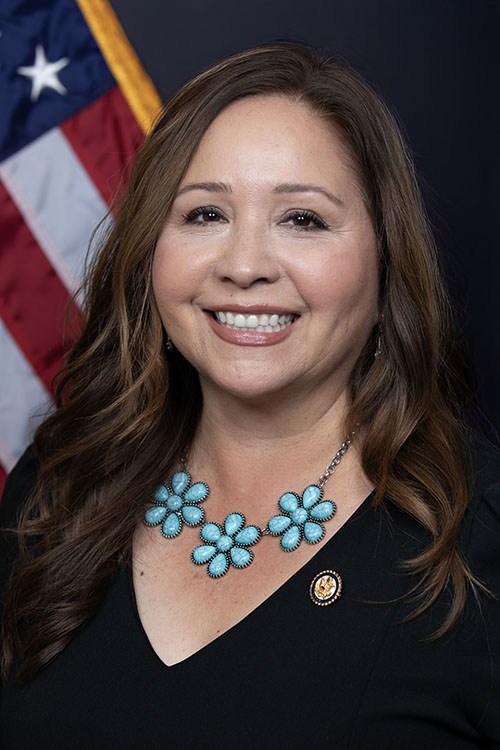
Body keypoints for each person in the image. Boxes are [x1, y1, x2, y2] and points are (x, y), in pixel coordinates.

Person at [1, 42, 499, 749]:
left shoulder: (480, 541)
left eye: (302, 219)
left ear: (386, 258)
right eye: (205, 214)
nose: (243, 266)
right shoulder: (56, 489)